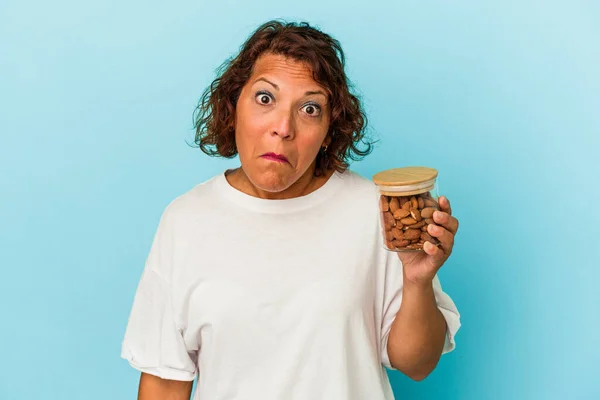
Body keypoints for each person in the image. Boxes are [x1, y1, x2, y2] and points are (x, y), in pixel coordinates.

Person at [120, 19, 461, 400]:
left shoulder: (373, 211)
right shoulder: (185, 220)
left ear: (330, 129)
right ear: (233, 106)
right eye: (265, 99)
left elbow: (417, 364)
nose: (283, 127)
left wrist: (418, 281)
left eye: (310, 108)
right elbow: (165, 384)